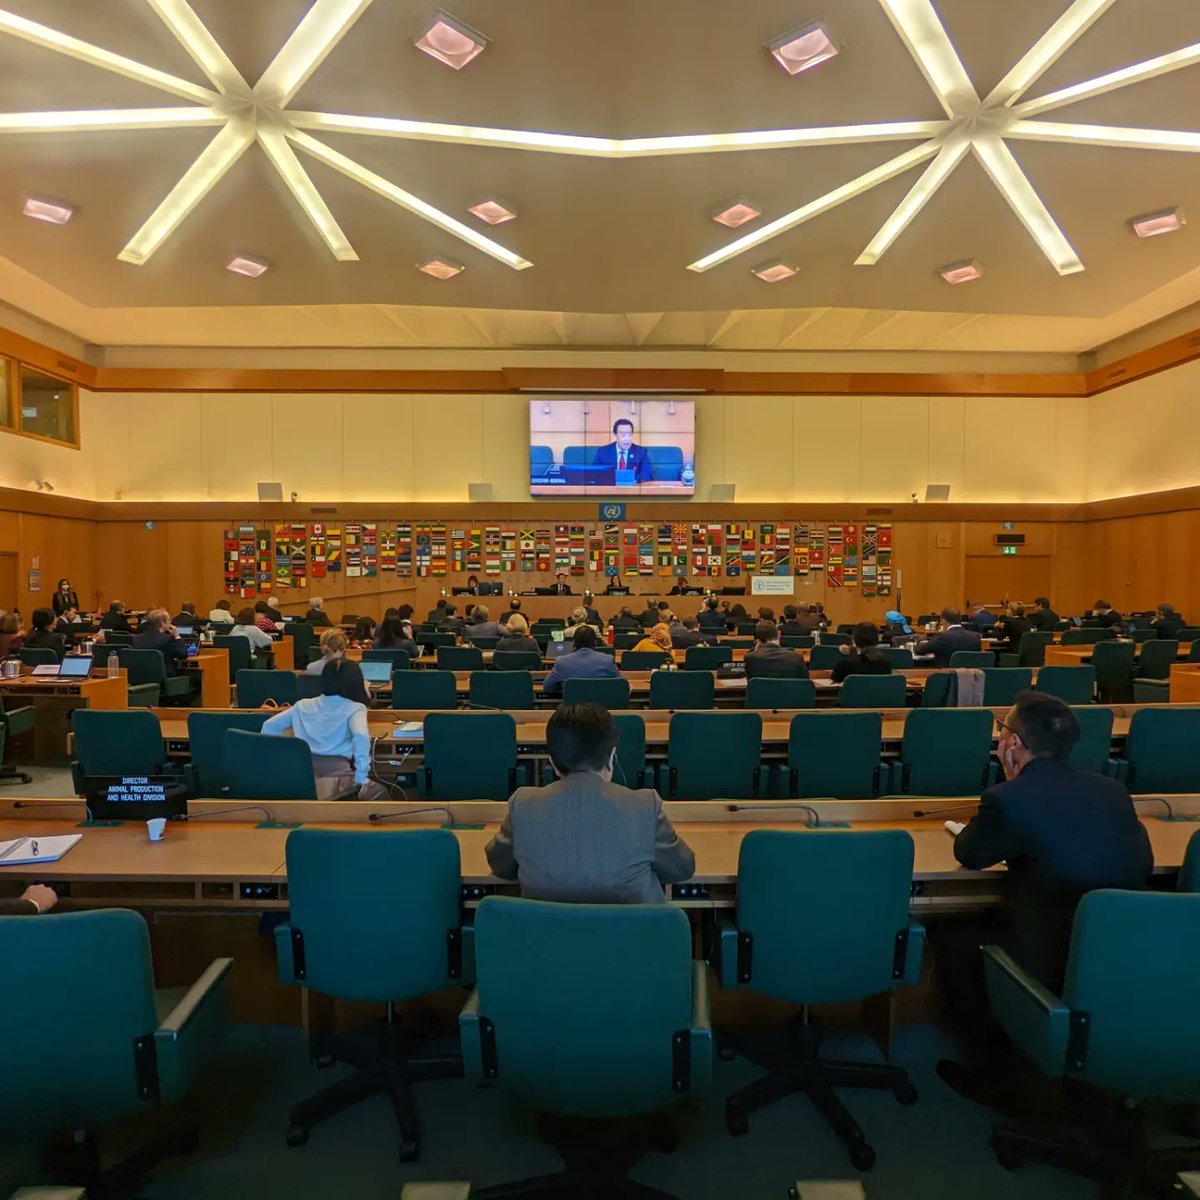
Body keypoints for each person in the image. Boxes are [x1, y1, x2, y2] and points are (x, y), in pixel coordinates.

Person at [936, 692, 1153, 1106]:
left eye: (1002, 730)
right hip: (1125, 960)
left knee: (952, 937)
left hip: (1048, 956)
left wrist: (1010, 782)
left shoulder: (1008, 798)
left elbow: (970, 854)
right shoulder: (1112, 791)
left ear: (1013, 744)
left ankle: (995, 1075)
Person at [485, 702, 694, 902]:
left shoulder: (523, 805)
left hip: (548, 937)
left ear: (553, 764)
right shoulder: (645, 806)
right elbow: (681, 869)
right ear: (612, 757)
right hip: (630, 937)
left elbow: (500, 866)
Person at [262, 660, 388, 801]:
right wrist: (361, 776)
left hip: (303, 776)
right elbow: (360, 735)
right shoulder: (355, 708)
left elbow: (269, 726)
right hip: (340, 781)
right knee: (380, 794)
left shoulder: (302, 705)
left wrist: (284, 764)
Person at [541, 626, 621, 695]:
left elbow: (547, 687)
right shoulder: (607, 660)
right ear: (595, 642)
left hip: (572, 711)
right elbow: (622, 686)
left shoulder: (561, 661)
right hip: (600, 710)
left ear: (574, 643)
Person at [914, 607, 982, 669]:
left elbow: (919, 650)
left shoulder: (942, 637)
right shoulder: (975, 637)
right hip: (972, 678)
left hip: (946, 677)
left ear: (944, 621)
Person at [591, 417, 653, 483]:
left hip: (632, 489)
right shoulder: (603, 452)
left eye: (630, 435)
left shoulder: (641, 452)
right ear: (615, 434)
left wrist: (628, 481)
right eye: (623, 435)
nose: (627, 439)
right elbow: (594, 474)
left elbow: (647, 475)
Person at [131, 607, 190, 675]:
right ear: (162, 623)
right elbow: (183, 654)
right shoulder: (167, 639)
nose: (170, 622)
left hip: (141, 677)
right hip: (165, 679)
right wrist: (177, 635)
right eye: (169, 620)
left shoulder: (136, 639)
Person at [744, 621, 809, 679]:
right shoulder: (797, 657)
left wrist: (755, 652)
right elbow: (805, 683)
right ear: (779, 634)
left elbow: (750, 682)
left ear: (758, 640)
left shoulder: (750, 658)